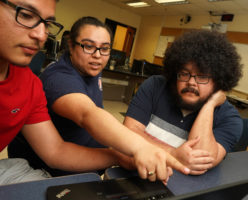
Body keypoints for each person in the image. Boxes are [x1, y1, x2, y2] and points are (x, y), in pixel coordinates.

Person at [0, 0, 189, 185]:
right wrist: (140, 147)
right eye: (25, 15)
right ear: (71, 47)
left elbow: (56, 151)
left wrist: (117, 155)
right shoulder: (58, 77)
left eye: (104, 49)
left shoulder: (30, 83)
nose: (41, 35)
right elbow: (87, 114)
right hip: (50, 173)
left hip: (81, 160)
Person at [124, 30, 244, 175]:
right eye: (185, 74)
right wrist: (173, 153)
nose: (191, 82)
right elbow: (128, 133)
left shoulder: (229, 118)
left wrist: (209, 105)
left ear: (218, 82)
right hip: (134, 172)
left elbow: (200, 160)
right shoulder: (155, 86)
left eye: (202, 76)